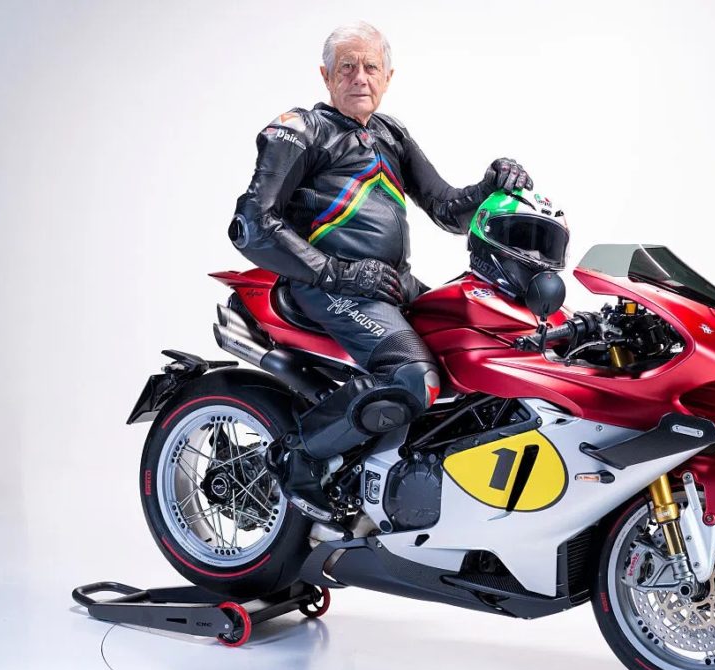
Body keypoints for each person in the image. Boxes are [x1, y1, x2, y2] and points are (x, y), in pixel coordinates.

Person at [228, 21, 533, 518]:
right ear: (326, 76)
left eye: (371, 67)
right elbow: (252, 225)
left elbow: (446, 209)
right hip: (329, 287)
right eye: (347, 67)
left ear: (388, 77)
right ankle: (298, 457)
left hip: (391, 284)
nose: (360, 77)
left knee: (489, 339)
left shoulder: (390, 134)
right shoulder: (302, 130)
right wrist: (337, 273)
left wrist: (493, 184)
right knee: (413, 378)